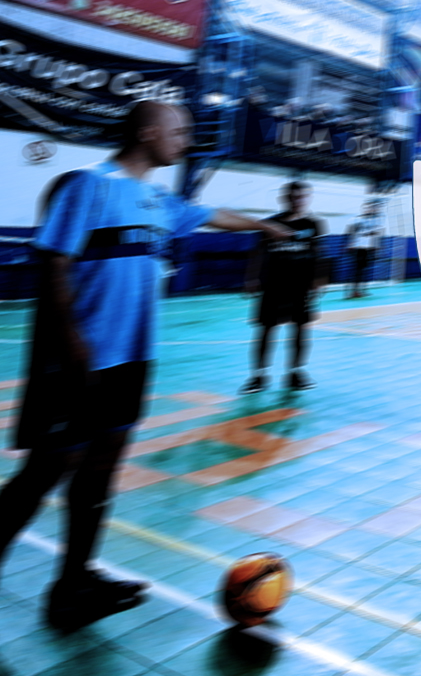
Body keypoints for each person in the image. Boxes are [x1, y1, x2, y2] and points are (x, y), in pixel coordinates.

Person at [0, 101, 290, 630]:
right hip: (80, 359)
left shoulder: (158, 200)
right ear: (148, 132)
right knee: (46, 471)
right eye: (180, 131)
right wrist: (72, 343)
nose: (186, 140)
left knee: (101, 469)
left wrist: (266, 228)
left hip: (132, 359)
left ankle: (73, 584)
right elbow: (53, 263)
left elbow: (213, 216)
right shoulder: (89, 185)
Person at [241, 182, 327, 394]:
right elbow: (258, 252)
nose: (298, 201)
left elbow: (319, 253)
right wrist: (251, 278)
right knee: (266, 330)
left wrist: (319, 279)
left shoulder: (315, 224)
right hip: (273, 284)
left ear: (307, 199)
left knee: (300, 329)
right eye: (293, 197)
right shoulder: (270, 223)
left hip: (301, 286)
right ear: (284, 198)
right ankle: (258, 376)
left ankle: (295, 373)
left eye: (302, 197)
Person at [346, 201, 382, 298]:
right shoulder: (357, 220)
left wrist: (376, 246)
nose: (373, 210)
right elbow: (351, 232)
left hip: (368, 249)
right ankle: (353, 291)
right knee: (357, 271)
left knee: (364, 270)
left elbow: (375, 235)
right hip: (358, 248)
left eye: (374, 208)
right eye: (370, 208)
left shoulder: (375, 221)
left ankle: (361, 290)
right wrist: (350, 244)